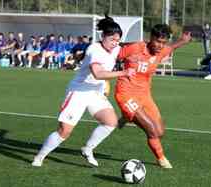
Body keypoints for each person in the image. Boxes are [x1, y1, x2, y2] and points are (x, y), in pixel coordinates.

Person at [82, 24, 191, 169]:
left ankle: (126, 117)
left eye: (163, 42)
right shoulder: (135, 48)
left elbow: (171, 48)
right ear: (151, 38)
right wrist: (99, 65)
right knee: (151, 130)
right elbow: (112, 53)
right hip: (126, 93)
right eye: (158, 41)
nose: (160, 46)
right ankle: (161, 158)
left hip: (145, 95)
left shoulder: (162, 50)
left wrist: (183, 40)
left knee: (159, 132)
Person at [31, 16, 135, 167]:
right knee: (64, 131)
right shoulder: (94, 49)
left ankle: (87, 149)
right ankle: (39, 157)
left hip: (95, 93)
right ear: (103, 36)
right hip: (79, 91)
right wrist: (123, 73)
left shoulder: (116, 48)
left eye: (117, 40)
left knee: (111, 122)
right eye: (112, 39)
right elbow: (98, 74)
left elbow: (129, 48)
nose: (115, 43)